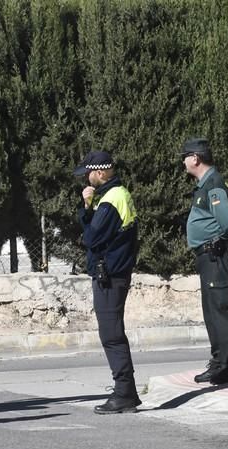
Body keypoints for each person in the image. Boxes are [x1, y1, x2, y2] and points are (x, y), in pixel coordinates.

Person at [75, 150, 141, 414]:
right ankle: (129, 392)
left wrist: (86, 207)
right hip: (114, 272)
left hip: (110, 274)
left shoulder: (111, 200)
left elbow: (91, 238)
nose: (86, 180)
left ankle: (124, 392)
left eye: (88, 174)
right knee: (112, 332)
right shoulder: (115, 195)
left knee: (111, 334)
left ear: (100, 172)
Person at [182, 138, 228, 385]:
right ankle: (224, 362)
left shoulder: (213, 184)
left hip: (216, 255)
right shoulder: (206, 185)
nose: (183, 161)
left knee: (219, 308)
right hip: (210, 255)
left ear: (195, 158)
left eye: (185, 156)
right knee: (214, 309)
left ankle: (225, 365)